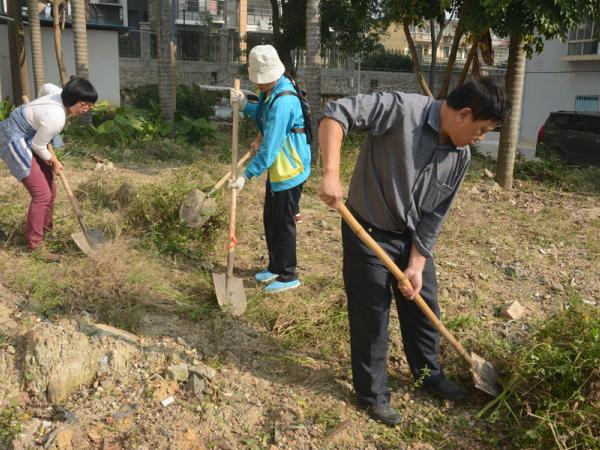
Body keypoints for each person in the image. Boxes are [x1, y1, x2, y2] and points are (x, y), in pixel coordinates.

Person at [318, 78, 510, 426]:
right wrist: (331, 173)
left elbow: (435, 215)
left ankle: (429, 374)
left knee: (423, 306)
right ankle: (372, 395)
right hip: (368, 230)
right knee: (372, 315)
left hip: (412, 238)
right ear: (464, 114)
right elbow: (336, 114)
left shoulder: (460, 157)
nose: (480, 139)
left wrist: (417, 264)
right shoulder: (401, 110)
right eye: (481, 130)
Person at [229, 45, 311, 294]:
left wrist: (246, 175)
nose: (258, 85)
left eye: (260, 80)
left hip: (290, 170)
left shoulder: (285, 101)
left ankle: (288, 275)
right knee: (271, 220)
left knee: (283, 224)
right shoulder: (271, 91)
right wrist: (245, 106)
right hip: (278, 171)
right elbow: (264, 114)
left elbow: (270, 148)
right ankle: (275, 266)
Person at [0, 77, 97, 262]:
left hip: (31, 135)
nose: (86, 109)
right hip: (14, 138)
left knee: (50, 190)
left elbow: (45, 87)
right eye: (83, 104)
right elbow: (38, 146)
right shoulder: (56, 118)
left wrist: (38, 114)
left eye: (90, 105)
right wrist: (53, 160)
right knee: (41, 194)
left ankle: (44, 230)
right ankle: (35, 246)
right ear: (70, 100)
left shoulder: (57, 92)